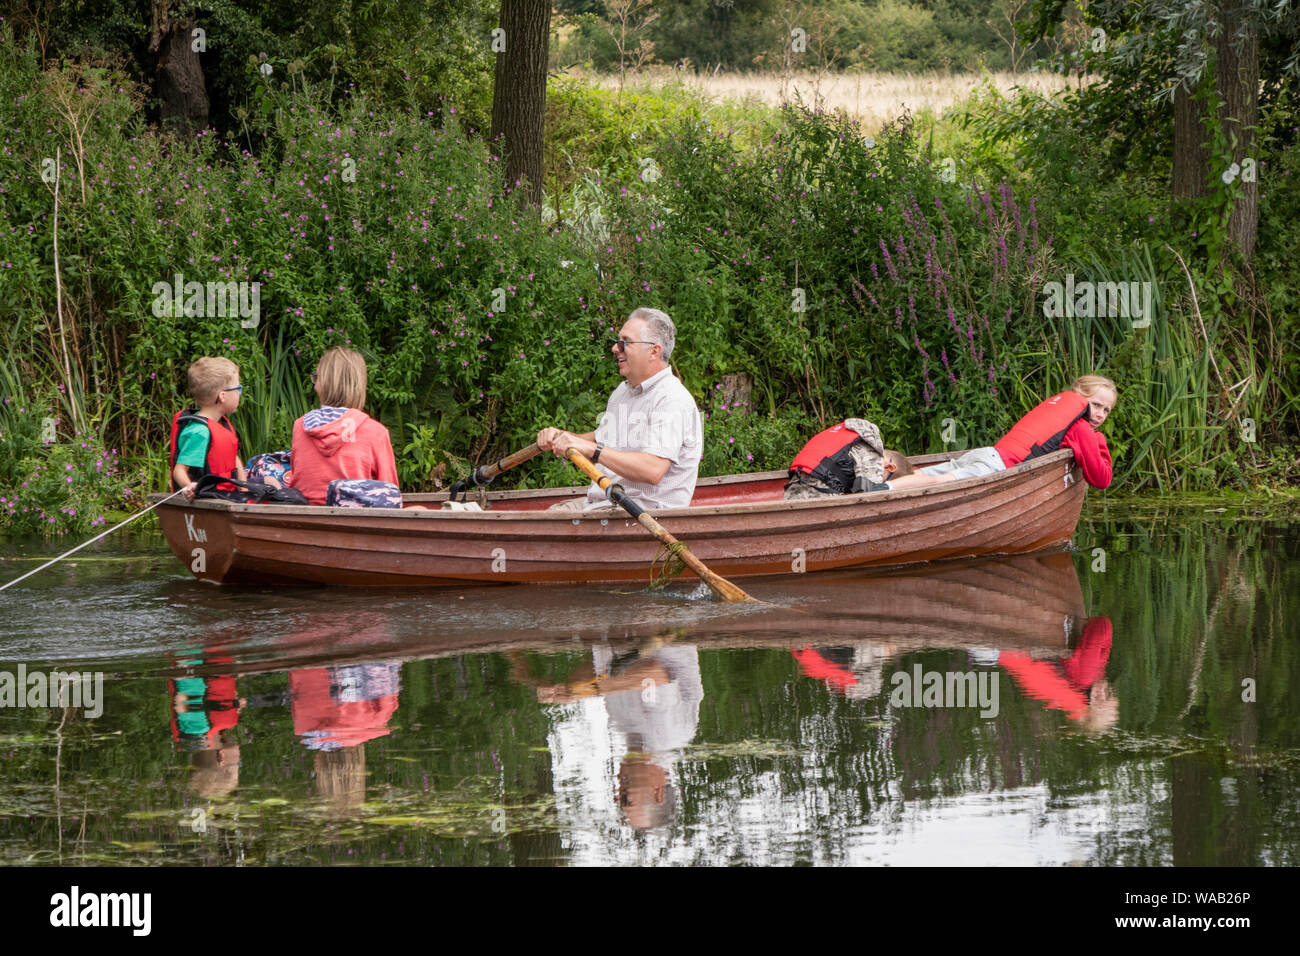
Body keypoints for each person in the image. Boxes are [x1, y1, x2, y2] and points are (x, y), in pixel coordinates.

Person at [537, 308, 703, 512]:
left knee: (534, 529)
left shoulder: (672, 399)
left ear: (654, 351)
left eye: (625, 342)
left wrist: (590, 449)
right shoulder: (623, 392)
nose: (616, 348)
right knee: (537, 521)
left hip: (641, 513)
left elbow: (652, 470)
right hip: (603, 504)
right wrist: (561, 437)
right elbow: (601, 442)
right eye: (617, 341)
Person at [877, 375, 1117, 491]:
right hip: (996, 467)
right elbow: (1101, 479)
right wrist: (1099, 441)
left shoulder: (1059, 409)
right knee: (935, 481)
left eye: (1107, 410)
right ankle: (882, 490)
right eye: (1095, 405)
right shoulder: (1081, 427)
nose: (1100, 414)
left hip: (987, 454)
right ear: (1080, 398)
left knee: (925, 472)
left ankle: (876, 479)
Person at [285, 347, 400, 506]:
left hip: (307, 517)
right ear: (359, 385)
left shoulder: (300, 427)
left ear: (321, 385)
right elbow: (390, 493)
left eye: (316, 378)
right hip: (355, 519)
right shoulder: (376, 432)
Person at [170, 356, 247, 500]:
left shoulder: (221, 424)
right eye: (238, 389)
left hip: (229, 494)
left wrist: (244, 490)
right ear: (222, 396)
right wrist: (189, 487)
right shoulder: (200, 432)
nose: (239, 394)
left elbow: (234, 459)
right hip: (212, 497)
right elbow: (179, 470)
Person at [784, 416, 915, 499]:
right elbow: (866, 497)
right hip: (817, 498)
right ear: (889, 467)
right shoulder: (873, 455)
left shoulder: (848, 435)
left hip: (791, 493)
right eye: (884, 480)